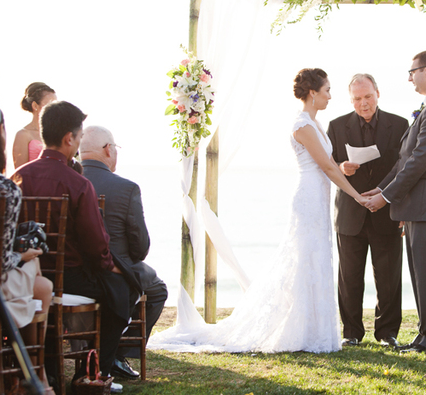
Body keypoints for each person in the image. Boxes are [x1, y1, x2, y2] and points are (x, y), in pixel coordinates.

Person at [149, 68, 368, 353]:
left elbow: (328, 164)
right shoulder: (302, 125)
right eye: (327, 90)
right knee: (305, 260)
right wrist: (356, 195)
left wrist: (345, 175)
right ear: (313, 93)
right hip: (309, 198)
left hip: (318, 196)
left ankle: (312, 329)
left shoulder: (315, 124)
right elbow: (325, 166)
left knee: (314, 260)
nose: (330, 96)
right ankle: (300, 330)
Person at [11, 101, 136, 386]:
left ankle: (57, 370)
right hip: (71, 277)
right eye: (79, 138)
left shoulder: (18, 177)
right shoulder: (78, 184)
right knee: (123, 289)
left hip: (28, 275)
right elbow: (95, 243)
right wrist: (108, 266)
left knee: (119, 283)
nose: (79, 144)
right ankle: (94, 371)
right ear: (69, 138)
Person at [0, 101, 70, 395]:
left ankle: (31, 379)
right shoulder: (3, 189)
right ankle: (36, 378)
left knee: (39, 282)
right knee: (40, 281)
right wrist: (25, 253)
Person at [364, 50, 426, 353]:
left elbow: (419, 161)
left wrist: (387, 197)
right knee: (422, 273)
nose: (409, 77)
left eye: (412, 71)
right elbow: (404, 158)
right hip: (420, 206)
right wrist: (378, 188)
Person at [79, 126, 168, 380]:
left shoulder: (72, 181)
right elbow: (140, 248)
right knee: (158, 289)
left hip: (71, 274)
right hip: (115, 273)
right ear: (108, 150)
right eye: (115, 148)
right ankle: (118, 352)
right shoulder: (126, 188)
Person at [327, 74, 408, 348]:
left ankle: (387, 334)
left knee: (389, 278)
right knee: (349, 278)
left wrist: (402, 210)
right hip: (350, 213)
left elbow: (405, 170)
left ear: (378, 93)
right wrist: (342, 168)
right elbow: (327, 165)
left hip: (387, 213)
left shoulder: (399, 125)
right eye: (358, 99)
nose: (364, 103)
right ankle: (351, 333)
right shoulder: (336, 126)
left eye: (368, 97)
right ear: (351, 99)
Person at [12, 82, 57, 169]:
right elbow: (20, 173)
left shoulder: (56, 133)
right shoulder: (23, 135)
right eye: (50, 104)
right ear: (35, 106)